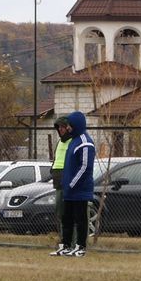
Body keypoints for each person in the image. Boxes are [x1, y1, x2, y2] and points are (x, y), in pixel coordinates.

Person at [56, 111, 95, 258]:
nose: (68, 128)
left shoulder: (85, 142)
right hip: (69, 190)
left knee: (80, 219)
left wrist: (72, 183)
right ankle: (65, 246)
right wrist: (66, 183)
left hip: (80, 190)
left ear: (76, 125)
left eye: (70, 125)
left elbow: (85, 167)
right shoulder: (74, 141)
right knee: (67, 218)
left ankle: (81, 247)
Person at [49, 116, 72, 253]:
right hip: (58, 182)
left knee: (67, 212)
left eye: (63, 127)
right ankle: (63, 239)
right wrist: (53, 170)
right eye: (59, 128)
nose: (61, 130)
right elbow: (56, 159)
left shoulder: (72, 142)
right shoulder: (59, 143)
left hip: (67, 181)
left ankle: (69, 241)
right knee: (59, 211)